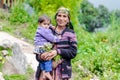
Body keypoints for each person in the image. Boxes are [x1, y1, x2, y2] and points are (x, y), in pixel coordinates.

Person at [35, 7, 77, 80]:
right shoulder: (48, 30)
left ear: (68, 20)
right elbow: (37, 50)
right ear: (56, 17)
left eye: (64, 16)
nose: (61, 18)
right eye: (59, 15)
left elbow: (73, 52)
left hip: (62, 74)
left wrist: (57, 52)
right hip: (44, 73)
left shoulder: (70, 33)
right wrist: (41, 56)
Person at [34, 15, 60, 80]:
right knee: (48, 58)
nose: (46, 26)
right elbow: (50, 37)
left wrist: (50, 26)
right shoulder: (44, 30)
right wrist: (58, 39)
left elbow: (48, 25)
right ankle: (47, 72)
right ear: (39, 24)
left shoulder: (41, 28)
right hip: (42, 46)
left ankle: (43, 71)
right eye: (44, 24)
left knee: (42, 61)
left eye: (48, 24)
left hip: (39, 47)